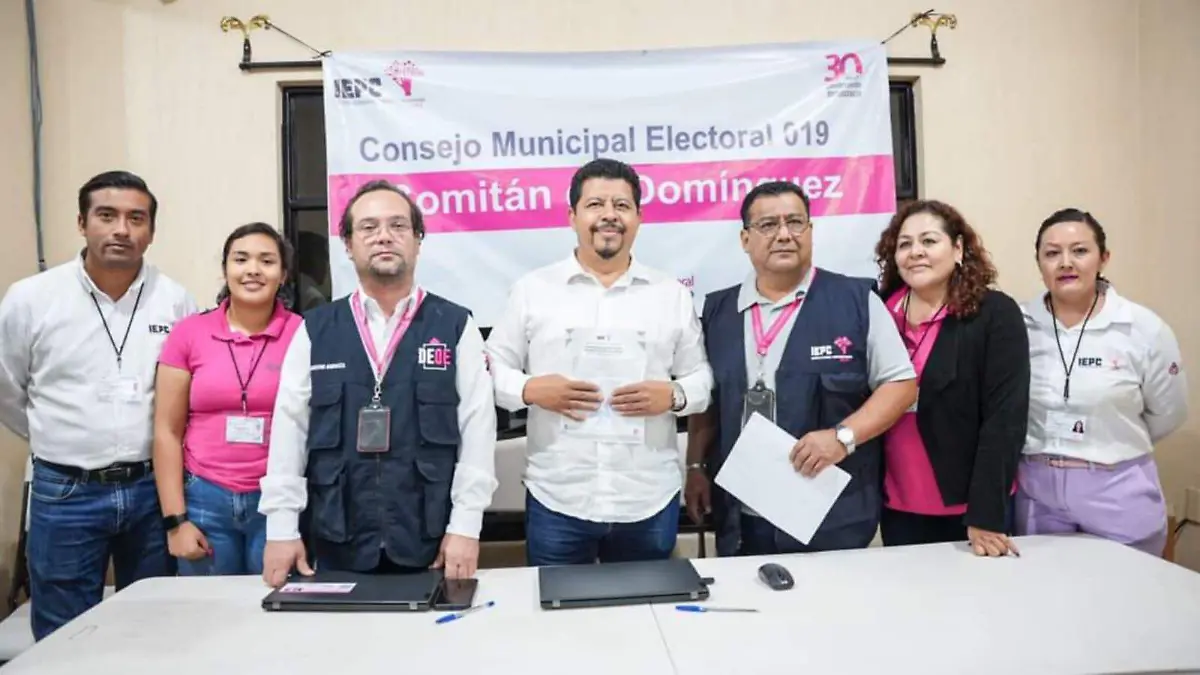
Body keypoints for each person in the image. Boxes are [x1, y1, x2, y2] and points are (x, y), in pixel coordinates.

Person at [258, 180, 497, 587]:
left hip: (430, 539)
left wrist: (466, 526)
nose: (384, 236)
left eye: (398, 226)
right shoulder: (315, 329)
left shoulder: (455, 326)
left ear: (418, 240)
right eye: (368, 227)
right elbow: (289, 429)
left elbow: (477, 429)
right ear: (348, 245)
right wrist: (281, 528)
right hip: (336, 537)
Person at [486, 158, 713, 566]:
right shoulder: (533, 291)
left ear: (639, 218)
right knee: (556, 606)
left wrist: (674, 395)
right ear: (572, 216)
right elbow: (491, 369)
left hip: (647, 498)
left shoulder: (671, 295)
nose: (609, 215)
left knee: (647, 605)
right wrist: (529, 389)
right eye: (595, 204)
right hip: (559, 497)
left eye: (621, 205)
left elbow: (702, 379)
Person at [0, 170, 197, 640]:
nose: (121, 230)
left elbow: (184, 398)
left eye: (136, 218)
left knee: (152, 626)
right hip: (65, 491)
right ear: (81, 223)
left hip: (150, 491)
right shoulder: (32, 299)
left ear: (151, 230)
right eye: (106, 216)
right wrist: (55, 436)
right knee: (64, 634)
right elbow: (7, 389)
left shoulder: (175, 301)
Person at [685, 181, 916, 556]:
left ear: (810, 231)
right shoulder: (717, 312)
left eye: (795, 222)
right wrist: (695, 465)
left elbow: (901, 385)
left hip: (829, 514)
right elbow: (709, 403)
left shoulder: (856, 301)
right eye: (768, 225)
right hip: (742, 514)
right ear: (745, 239)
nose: (784, 235)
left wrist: (842, 437)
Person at [1017, 208, 1188, 556]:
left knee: (1126, 587)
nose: (1066, 263)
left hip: (1117, 490)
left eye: (1080, 250)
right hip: (1037, 492)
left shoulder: (1142, 328)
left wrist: (1109, 441)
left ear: (1103, 258)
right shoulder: (1017, 325)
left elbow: (1169, 412)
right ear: (1039, 263)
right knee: (1044, 585)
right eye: (1052, 253)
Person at [872, 200, 1029, 556]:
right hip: (897, 502)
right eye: (905, 244)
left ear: (958, 249)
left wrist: (985, 514)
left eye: (929, 241)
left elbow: (1005, 417)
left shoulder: (994, 313)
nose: (916, 252)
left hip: (971, 508)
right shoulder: (880, 312)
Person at [153, 223, 302, 576]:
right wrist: (176, 522)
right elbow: (166, 431)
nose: (253, 269)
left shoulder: (303, 333)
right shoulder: (189, 333)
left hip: (277, 503)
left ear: (283, 275)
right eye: (241, 259)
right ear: (225, 269)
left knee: (273, 603)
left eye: (267, 261)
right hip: (205, 498)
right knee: (209, 606)